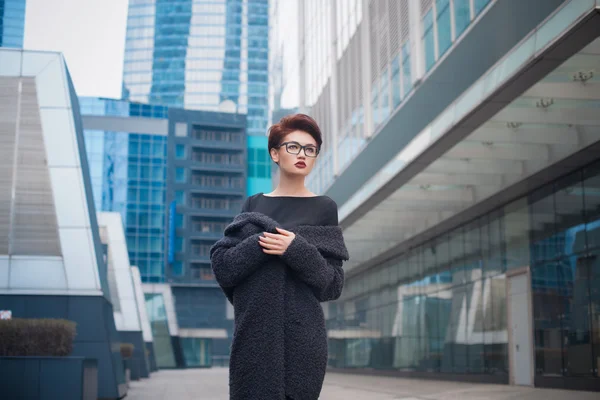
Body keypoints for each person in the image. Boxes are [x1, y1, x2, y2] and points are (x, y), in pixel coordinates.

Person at [210, 114, 349, 400]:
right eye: (293, 147)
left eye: (310, 149)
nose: (302, 155)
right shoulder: (253, 204)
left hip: (304, 340)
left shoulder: (325, 207)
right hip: (254, 338)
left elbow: (332, 285)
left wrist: (295, 249)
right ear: (275, 153)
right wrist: (264, 242)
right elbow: (225, 267)